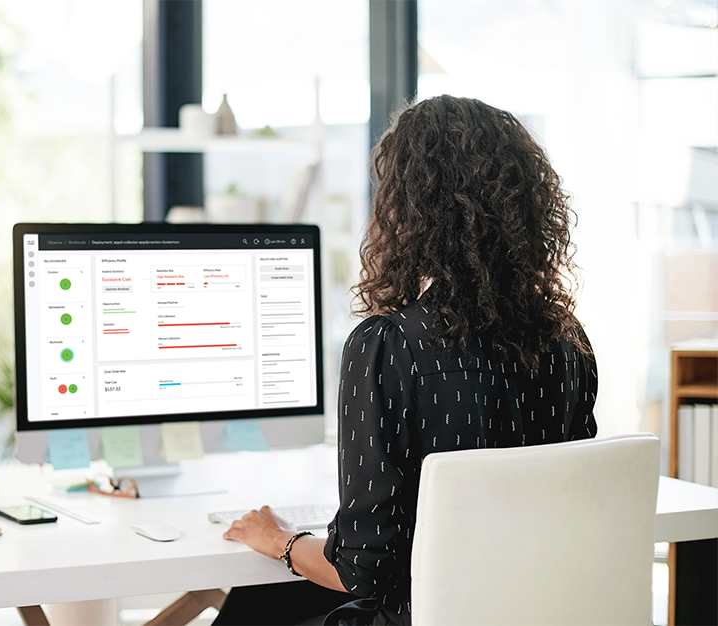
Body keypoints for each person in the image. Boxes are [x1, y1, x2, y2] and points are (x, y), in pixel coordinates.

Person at [215, 95, 599, 626]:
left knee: (254, 605)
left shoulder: (388, 346)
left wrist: (277, 539)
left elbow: (361, 573)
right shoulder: (567, 342)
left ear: (407, 210)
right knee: (258, 603)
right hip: (538, 611)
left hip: (429, 615)